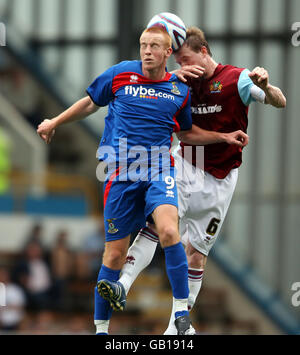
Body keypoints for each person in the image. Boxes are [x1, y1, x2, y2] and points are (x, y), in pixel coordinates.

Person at [37, 26, 248, 335]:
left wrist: (223, 136)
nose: (147, 50)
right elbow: (89, 102)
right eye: (143, 45)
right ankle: (101, 329)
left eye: (154, 46)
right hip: (121, 173)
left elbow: (186, 132)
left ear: (167, 54)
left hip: (159, 170)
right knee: (114, 254)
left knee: (167, 229)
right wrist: (55, 121)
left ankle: (180, 315)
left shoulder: (179, 89)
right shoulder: (121, 74)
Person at [115, 26, 287, 335]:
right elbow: (182, 132)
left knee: (197, 253)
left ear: (203, 52)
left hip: (222, 178)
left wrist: (267, 84)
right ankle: (122, 285)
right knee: (159, 223)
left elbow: (280, 101)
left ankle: (175, 330)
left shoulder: (238, 79)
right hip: (187, 163)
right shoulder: (183, 84)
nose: (183, 67)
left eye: (185, 60)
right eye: (178, 62)